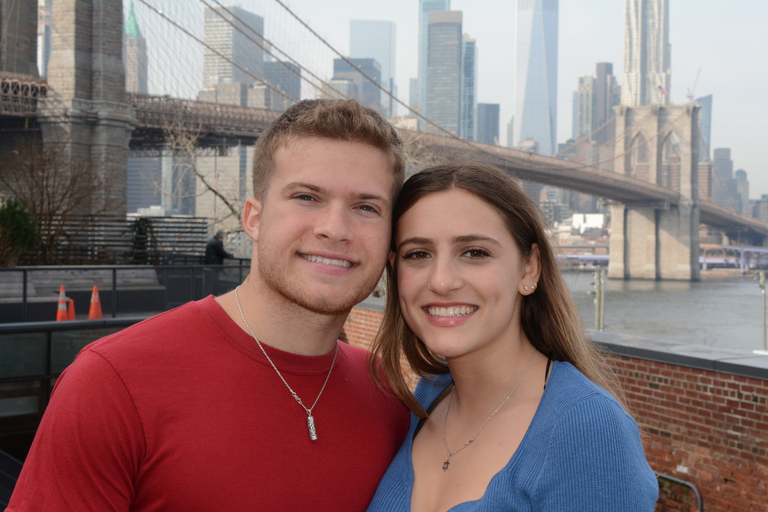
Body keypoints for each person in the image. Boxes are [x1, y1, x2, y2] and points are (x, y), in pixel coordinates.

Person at [7, 99, 410, 511]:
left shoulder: (390, 395)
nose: (334, 229)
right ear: (253, 219)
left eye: (366, 207)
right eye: (307, 197)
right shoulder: (112, 383)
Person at [367, 163, 659, 511]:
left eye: (475, 252)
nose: (441, 281)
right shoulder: (428, 396)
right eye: (418, 254)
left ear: (529, 268)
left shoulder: (589, 430)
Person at [203, 229, 235, 295]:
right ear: (222, 236)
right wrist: (231, 255)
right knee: (213, 284)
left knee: (211, 283)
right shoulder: (216, 243)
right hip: (214, 266)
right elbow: (222, 253)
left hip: (211, 266)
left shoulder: (213, 241)